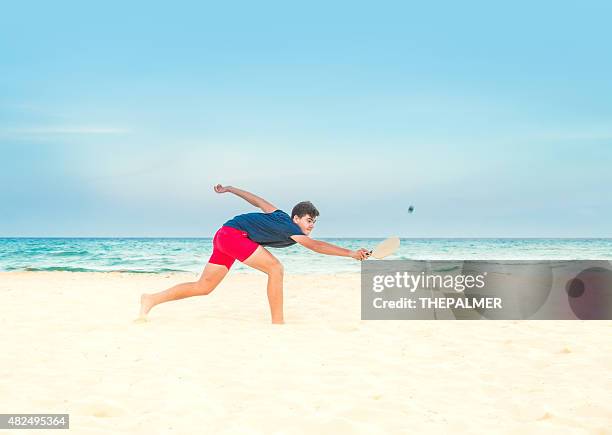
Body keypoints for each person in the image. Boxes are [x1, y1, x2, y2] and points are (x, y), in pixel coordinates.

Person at [139, 184, 369, 324]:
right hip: (232, 236)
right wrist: (350, 253)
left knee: (204, 287)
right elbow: (316, 246)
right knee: (276, 269)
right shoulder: (288, 225)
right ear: (296, 218)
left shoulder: (277, 215)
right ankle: (278, 323)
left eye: (314, 222)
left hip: (224, 236)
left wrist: (230, 189)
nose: (311, 226)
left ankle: (151, 299)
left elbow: (257, 200)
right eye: (309, 221)